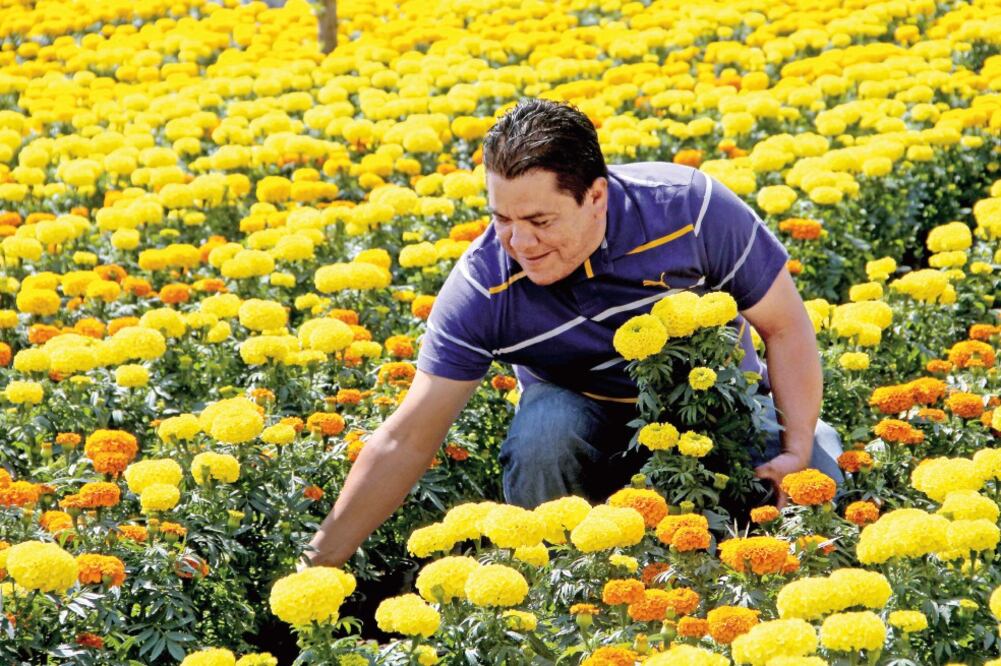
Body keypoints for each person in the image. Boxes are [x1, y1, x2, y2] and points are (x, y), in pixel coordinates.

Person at [303, 97, 843, 568]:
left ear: (596, 197)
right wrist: (318, 560)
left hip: (712, 407)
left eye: (540, 221)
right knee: (544, 432)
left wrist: (795, 449)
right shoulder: (484, 287)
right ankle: (566, 588)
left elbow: (785, 325)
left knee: (816, 480)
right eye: (501, 219)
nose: (520, 242)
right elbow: (407, 437)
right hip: (585, 419)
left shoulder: (689, 209)